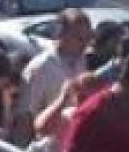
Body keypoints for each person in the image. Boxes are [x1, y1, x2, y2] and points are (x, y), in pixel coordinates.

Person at [18, 8, 92, 142]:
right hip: (45, 144)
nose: (85, 44)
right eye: (79, 37)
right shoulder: (41, 67)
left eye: (88, 38)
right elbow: (25, 115)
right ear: (61, 34)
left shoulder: (81, 61)